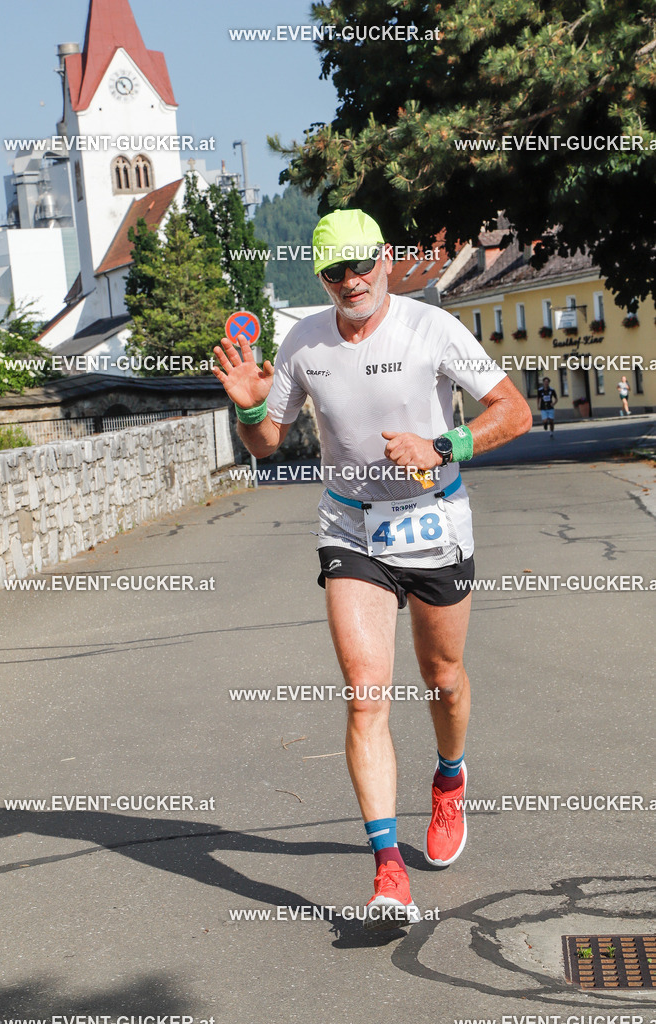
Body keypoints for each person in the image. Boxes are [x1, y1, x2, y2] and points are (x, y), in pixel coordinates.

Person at [212, 210, 532, 931]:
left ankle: (449, 778)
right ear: (320, 277)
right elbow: (267, 443)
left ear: (386, 259)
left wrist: (442, 447)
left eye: (361, 265)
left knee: (443, 678)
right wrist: (252, 405)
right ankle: (389, 873)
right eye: (334, 272)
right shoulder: (303, 341)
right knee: (365, 695)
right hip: (351, 525)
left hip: (434, 520)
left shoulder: (431, 328)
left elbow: (512, 414)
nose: (351, 281)